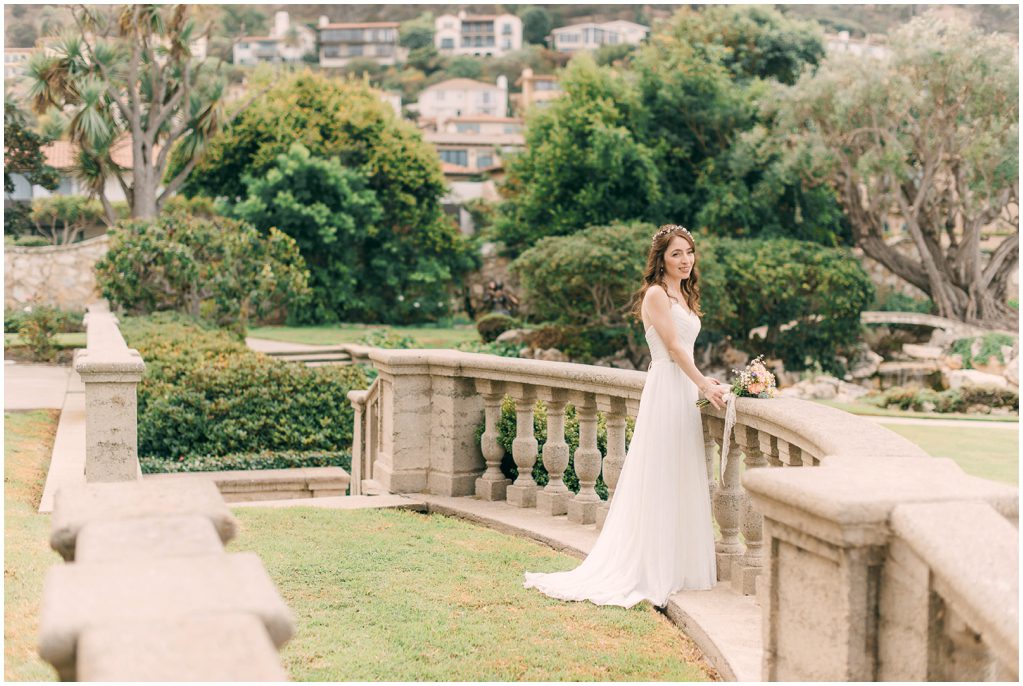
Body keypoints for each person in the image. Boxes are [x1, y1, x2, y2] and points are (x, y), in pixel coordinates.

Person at [523, 224, 728, 608]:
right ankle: (651, 568)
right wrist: (702, 383)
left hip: (682, 387)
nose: (685, 260)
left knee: (683, 474)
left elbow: (686, 347)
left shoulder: (683, 295)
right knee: (662, 474)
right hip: (667, 388)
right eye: (676, 254)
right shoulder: (655, 295)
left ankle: (679, 564)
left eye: (689, 252)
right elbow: (672, 348)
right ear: (661, 260)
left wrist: (701, 380)